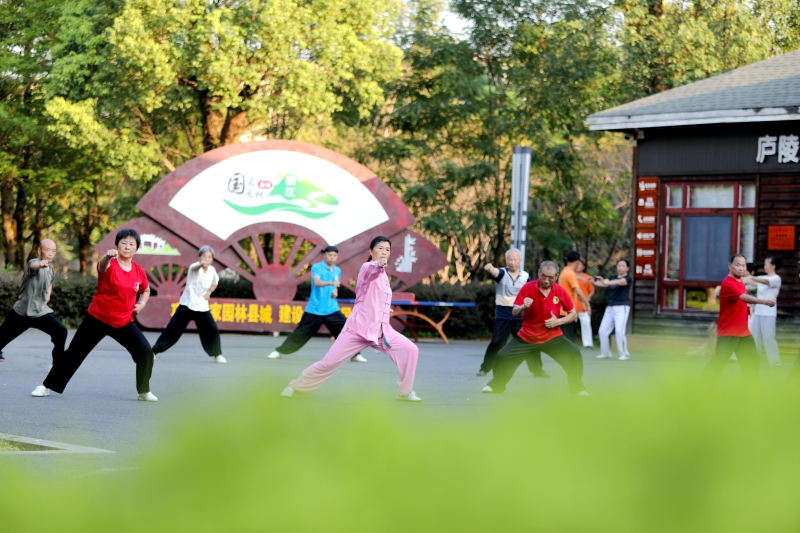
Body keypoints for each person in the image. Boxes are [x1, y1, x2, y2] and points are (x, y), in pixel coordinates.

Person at [281, 237, 420, 401]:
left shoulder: (384, 276)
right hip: (357, 330)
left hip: (380, 331)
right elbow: (371, 272)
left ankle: (404, 392)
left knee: (411, 350)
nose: (384, 252)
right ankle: (294, 386)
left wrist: (384, 310)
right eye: (380, 248)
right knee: (329, 362)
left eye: (387, 249)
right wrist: (378, 265)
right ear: (371, 251)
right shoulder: (368, 268)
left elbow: (374, 298)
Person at [31, 229, 157, 401]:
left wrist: (141, 303)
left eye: (131, 244)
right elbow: (102, 266)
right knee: (74, 354)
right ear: (117, 245)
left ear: (136, 248)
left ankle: (144, 391)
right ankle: (45, 386)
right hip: (98, 318)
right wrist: (107, 257)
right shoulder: (110, 264)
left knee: (145, 352)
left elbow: (146, 290)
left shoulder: (138, 270)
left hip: (123, 321)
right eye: (123, 243)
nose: (127, 247)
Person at [482, 261, 588, 396]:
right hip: (527, 337)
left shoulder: (560, 291)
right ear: (539, 273)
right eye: (543, 276)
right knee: (502, 356)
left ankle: (577, 388)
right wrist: (523, 307)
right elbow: (514, 311)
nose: (546, 280)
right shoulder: (527, 288)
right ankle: (496, 385)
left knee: (574, 353)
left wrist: (558, 321)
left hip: (552, 337)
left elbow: (573, 314)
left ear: (556, 277)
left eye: (551, 277)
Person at [267, 245, 366, 363]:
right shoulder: (317, 267)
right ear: (324, 255)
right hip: (315, 309)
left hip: (332, 309)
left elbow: (335, 286)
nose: (332, 257)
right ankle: (279, 351)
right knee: (300, 333)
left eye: (334, 255)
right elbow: (317, 282)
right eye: (330, 255)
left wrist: (335, 292)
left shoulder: (337, 270)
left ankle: (355, 355)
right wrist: (331, 283)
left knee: (346, 330)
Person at [702, 254, 775, 387]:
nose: (741, 268)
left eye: (743, 265)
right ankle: (702, 388)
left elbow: (741, 299)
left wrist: (747, 307)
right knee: (719, 362)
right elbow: (743, 297)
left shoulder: (740, 281)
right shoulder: (728, 283)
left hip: (743, 332)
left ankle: (751, 389)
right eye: (738, 265)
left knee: (752, 360)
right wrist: (765, 302)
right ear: (730, 266)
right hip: (729, 332)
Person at [476, 248, 549, 378]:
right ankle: (484, 369)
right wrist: (490, 268)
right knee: (496, 343)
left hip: (521, 317)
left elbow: (533, 293)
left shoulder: (525, 276)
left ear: (520, 261)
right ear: (506, 260)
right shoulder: (502, 273)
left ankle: (537, 370)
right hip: (503, 316)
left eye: (515, 259)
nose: (512, 262)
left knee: (530, 342)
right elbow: (495, 272)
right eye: (510, 259)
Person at [151, 246, 226, 363]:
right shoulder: (194, 267)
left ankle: (217, 355)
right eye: (204, 256)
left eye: (209, 257)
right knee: (172, 330)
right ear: (199, 257)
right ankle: (153, 352)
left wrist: (209, 292)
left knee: (212, 330)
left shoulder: (212, 270)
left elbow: (215, 283)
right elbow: (195, 268)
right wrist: (201, 265)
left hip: (202, 306)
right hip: (187, 304)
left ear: (212, 259)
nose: (206, 259)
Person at [0, 239, 67, 365]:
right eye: (48, 250)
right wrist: (40, 264)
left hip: (39, 312)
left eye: (53, 251)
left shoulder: (51, 269)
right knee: (2, 336)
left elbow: (49, 282)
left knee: (60, 331)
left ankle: (58, 364)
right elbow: (33, 266)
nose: (51, 253)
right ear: (39, 251)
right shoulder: (34, 262)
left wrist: (48, 295)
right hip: (22, 312)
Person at [746, 256, 783, 367]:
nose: (764, 266)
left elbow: (765, 281)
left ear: (773, 266)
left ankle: (775, 362)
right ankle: (754, 360)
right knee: (755, 338)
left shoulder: (776, 279)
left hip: (769, 313)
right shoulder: (762, 277)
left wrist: (751, 277)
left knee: (768, 338)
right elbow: (751, 281)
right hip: (758, 312)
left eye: (766, 264)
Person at [595, 259, 632, 361]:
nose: (620, 267)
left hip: (622, 308)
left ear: (627, 268)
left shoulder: (627, 278)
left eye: (623, 266)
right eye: (619, 265)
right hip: (610, 307)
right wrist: (593, 281)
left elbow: (619, 282)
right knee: (602, 331)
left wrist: (606, 281)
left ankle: (624, 354)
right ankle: (605, 353)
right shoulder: (612, 278)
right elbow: (604, 284)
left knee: (619, 331)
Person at [557, 251, 592, 344]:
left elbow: (573, 293)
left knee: (564, 342)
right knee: (569, 343)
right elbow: (578, 291)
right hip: (567, 313)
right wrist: (587, 303)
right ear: (577, 262)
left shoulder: (564, 271)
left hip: (563, 311)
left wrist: (583, 301)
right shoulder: (570, 273)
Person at [575, 259, 595, 348]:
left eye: (580, 265)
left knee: (586, 323)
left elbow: (592, 290)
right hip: (572, 304)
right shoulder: (570, 275)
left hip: (583, 304)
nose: (578, 266)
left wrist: (587, 299)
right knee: (570, 325)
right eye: (577, 264)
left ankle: (588, 344)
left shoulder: (587, 277)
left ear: (583, 267)